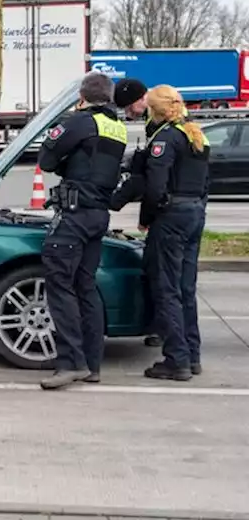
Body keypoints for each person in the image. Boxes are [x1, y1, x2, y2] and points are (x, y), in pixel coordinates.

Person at [36, 72, 127, 390]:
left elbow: (46, 159)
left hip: (73, 216)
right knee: (86, 288)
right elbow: (93, 163)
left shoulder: (79, 121)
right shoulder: (116, 127)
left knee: (60, 287)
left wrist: (63, 157)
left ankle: (69, 363)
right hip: (98, 215)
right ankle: (91, 364)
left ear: (83, 95)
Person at [112, 85, 209, 381]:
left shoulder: (165, 138)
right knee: (186, 289)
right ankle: (192, 356)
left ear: (155, 109)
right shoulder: (195, 133)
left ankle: (176, 359)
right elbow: (205, 181)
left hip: (172, 218)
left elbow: (155, 188)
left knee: (166, 288)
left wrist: (151, 215)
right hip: (194, 213)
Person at [111, 77, 163, 349]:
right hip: (179, 210)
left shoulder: (159, 126)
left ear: (140, 98)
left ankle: (163, 331)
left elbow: (150, 180)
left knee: (162, 274)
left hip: (167, 214)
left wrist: (143, 217)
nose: (129, 113)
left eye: (128, 107)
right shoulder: (162, 121)